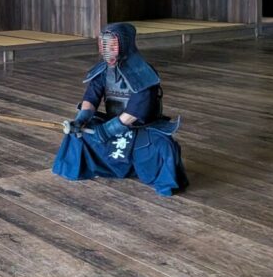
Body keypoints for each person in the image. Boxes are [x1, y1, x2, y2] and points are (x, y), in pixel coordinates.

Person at [53, 22, 188, 196]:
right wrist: (81, 118)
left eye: (113, 44)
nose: (108, 49)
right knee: (77, 134)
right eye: (104, 44)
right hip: (111, 121)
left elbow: (135, 111)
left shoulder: (143, 72)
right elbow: (91, 97)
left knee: (164, 147)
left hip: (141, 127)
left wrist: (108, 130)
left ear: (124, 44)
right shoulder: (103, 70)